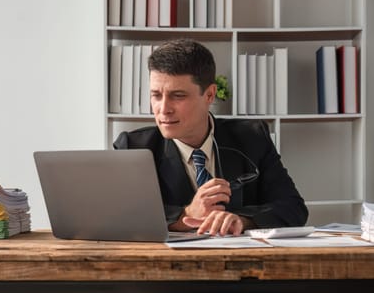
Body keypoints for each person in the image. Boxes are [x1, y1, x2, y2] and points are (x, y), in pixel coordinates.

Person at [113, 39, 308, 236]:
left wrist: (242, 220)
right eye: (156, 95)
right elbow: (120, 216)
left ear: (209, 95)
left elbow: (293, 208)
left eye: (178, 96)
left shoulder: (252, 137)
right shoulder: (133, 147)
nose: (163, 109)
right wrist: (185, 215)